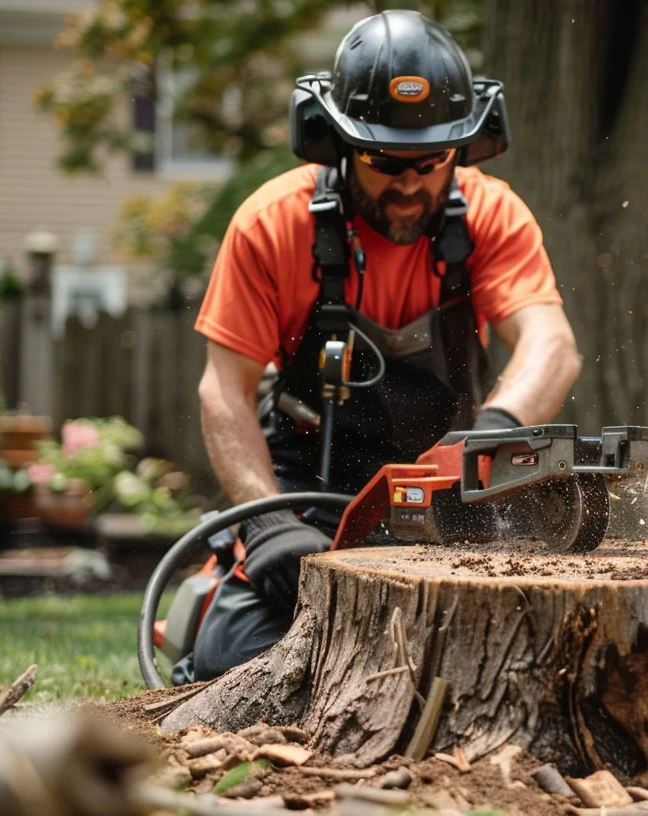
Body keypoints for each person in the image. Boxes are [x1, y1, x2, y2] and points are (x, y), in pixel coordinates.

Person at [172, 9, 580, 683]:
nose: (411, 182)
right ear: (333, 140)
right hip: (308, 482)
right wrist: (265, 521)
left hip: (447, 478)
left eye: (432, 160)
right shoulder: (272, 224)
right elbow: (224, 388)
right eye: (383, 160)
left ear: (466, 145)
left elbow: (551, 345)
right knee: (236, 656)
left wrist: (492, 437)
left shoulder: (492, 215)